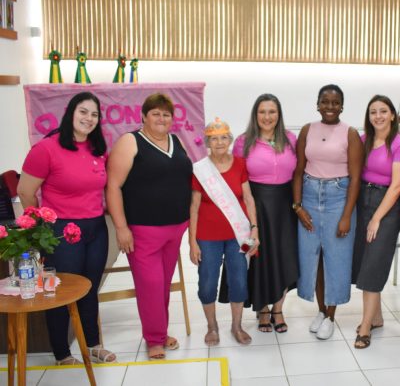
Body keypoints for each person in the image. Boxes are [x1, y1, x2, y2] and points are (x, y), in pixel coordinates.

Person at [17, 92, 116, 365]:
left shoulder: (97, 149)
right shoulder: (46, 149)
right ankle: (61, 352)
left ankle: (93, 345)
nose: (89, 118)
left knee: (90, 288)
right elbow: (25, 191)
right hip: (62, 230)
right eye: (83, 111)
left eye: (94, 114)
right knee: (61, 290)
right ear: (70, 112)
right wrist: (40, 228)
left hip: (96, 228)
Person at [106, 93, 193, 360]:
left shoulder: (176, 141)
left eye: (166, 114)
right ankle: (154, 339)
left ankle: (160, 332)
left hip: (175, 229)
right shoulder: (130, 141)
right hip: (143, 231)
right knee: (150, 286)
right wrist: (121, 228)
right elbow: (113, 186)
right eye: (156, 113)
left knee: (163, 285)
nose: (161, 118)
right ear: (143, 116)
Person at [293, 84, 362, 340]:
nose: (330, 107)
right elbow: (298, 171)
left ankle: (331, 316)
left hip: (338, 198)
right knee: (313, 259)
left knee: (336, 260)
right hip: (310, 197)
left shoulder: (350, 133)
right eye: (325, 101)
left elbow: (355, 178)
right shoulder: (307, 130)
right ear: (318, 104)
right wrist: (298, 206)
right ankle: (321, 311)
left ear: (342, 106)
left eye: (335, 102)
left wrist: (346, 215)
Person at [189, 118, 259, 346]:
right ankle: (212, 326)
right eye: (214, 139)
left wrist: (255, 230)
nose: (219, 142)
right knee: (207, 282)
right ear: (207, 142)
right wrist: (192, 243)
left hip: (239, 236)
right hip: (207, 237)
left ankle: (236, 326)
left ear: (230, 140)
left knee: (239, 280)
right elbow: (194, 207)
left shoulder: (240, 164)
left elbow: (248, 198)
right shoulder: (201, 170)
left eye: (223, 138)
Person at [233, 94, 298, 333]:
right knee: (257, 258)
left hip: (285, 206)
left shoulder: (290, 139)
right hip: (255, 206)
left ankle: (278, 309)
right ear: (255, 115)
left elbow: (298, 173)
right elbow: (237, 178)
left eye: (272, 112)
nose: (267, 117)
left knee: (284, 257)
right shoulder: (243, 141)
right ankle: (261, 308)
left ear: (279, 115)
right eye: (262, 112)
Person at [352, 95, 400, 349]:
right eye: (373, 112)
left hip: (386, 205)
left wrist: (376, 218)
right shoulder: (363, 139)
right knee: (364, 261)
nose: (378, 116)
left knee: (374, 264)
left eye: (383, 111)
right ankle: (376, 317)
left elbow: (397, 186)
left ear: (392, 114)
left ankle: (365, 327)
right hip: (362, 200)